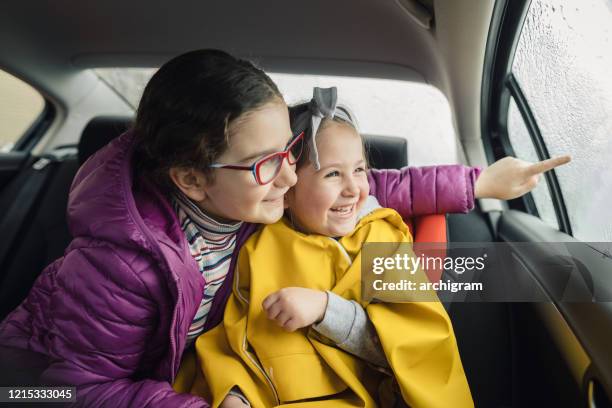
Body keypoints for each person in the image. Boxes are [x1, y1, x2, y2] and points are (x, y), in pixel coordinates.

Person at [0, 50, 570, 407]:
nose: (293, 176)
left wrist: (481, 183)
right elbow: (77, 389)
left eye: (293, 152)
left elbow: (376, 188)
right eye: (266, 163)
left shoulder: (260, 198)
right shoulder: (115, 269)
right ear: (191, 180)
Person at [176, 88, 474, 408]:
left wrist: (324, 309)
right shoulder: (261, 242)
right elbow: (234, 338)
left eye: (359, 170)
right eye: (332, 174)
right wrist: (234, 393)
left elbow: (413, 346)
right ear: (287, 186)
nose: (352, 188)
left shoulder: (381, 241)